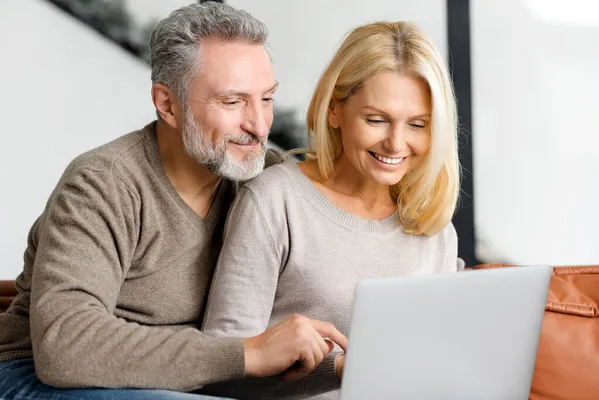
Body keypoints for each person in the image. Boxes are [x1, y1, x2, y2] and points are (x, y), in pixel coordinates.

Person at [0, 3, 347, 399]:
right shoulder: (102, 184)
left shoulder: (269, 181)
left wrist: (334, 369)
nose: (259, 125)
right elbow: (65, 346)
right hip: (33, 376)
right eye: (233, 102)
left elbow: (240, 359)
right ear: (168, 105)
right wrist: (246, 352)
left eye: (266, 99)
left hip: (179, 386)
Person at [200, 21, 465, 399]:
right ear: (334, 109)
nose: (396, 143)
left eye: (418, 125)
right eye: (376, 120)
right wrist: (337, 368)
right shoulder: (275, 201)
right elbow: (220, 368)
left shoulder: (435, 232)